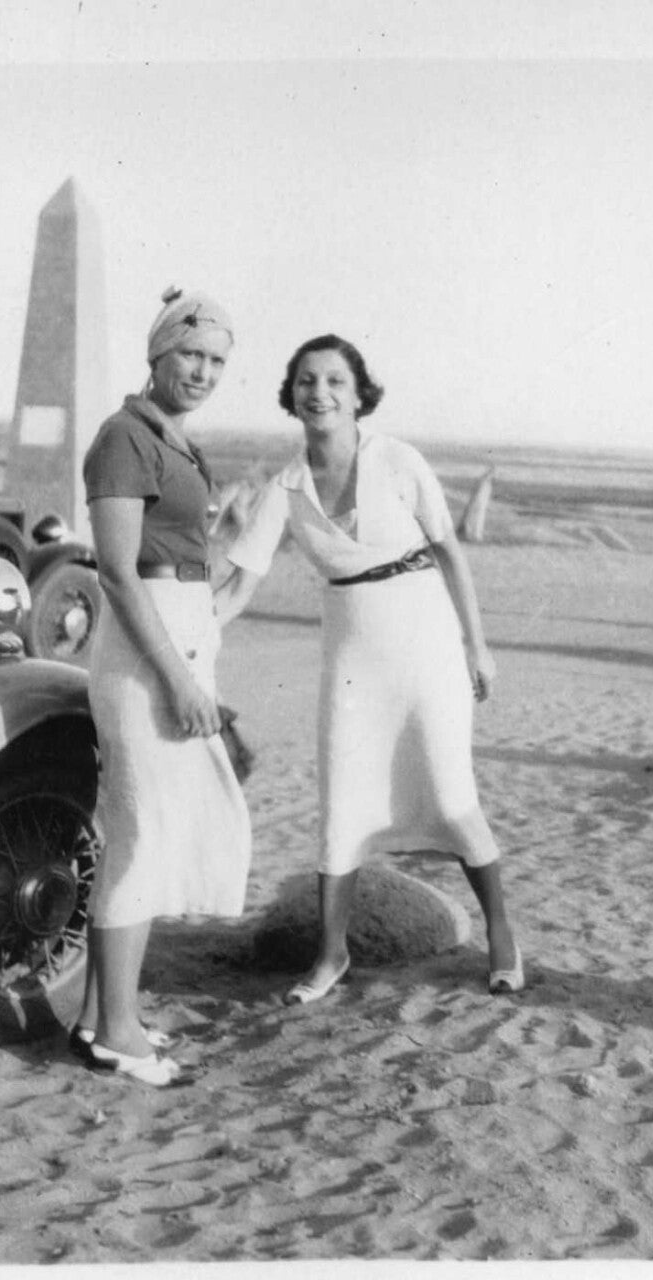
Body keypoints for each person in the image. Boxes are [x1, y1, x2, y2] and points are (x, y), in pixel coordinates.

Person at [218, 333, 521, 1004]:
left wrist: (476, 646)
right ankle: (331, 955)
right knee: (342, 804)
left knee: (449, 794)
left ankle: (501, 934)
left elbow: (449, 552)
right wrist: (188, 629)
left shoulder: (399, 460)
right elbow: (238, 586)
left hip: (427, 645)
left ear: (359, 397)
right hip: (352, 658)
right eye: (306, 381)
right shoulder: (285, 488)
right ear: (291, 396)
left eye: (334, 381)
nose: (318, 392)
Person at [70, 286, 252, 1087]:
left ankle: (97, 1017)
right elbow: (116, 571)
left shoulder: (175, 441)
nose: (202, 372)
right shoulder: (124, 437)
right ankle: (117, 1033)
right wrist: (177, 680)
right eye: (190, 355)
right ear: (156, 352)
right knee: (140, 840)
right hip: (143, 656)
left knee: (141, 836)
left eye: (216, 361)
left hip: (175, 637)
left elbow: (180, 554)